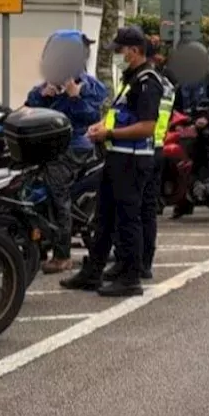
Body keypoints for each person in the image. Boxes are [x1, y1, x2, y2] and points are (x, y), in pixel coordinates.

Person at [62, 26, 165, 297]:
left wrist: (110, 133)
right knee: (104, 217)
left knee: (128, 219)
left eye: (120, 50)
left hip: (133, 160)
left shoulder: (147, 82)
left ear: (134, 51)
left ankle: (131, 276)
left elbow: (146, 127)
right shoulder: (131, 79)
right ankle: (94, 271)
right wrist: (99, 127)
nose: (117, 55)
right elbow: (117, 115)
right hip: (116, 156)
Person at [25, 30, 108, 273]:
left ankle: (62, 255)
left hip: (75, 147)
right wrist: (42, 95)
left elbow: (93, 116)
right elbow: (30, 107)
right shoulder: (49, 83)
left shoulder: (90, 86)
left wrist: (74, 97)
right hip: (46, 146)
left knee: (56, 190)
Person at [169, 40, 209, 216]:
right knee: (180, 160)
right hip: (189, 128)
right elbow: (175, 106)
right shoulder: (182, 83)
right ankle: (183, 201)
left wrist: (207, 118)